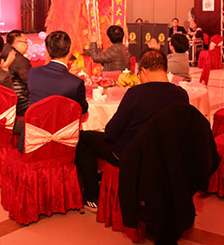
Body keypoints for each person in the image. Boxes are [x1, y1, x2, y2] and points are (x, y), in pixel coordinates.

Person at [75, 49, 189, 211]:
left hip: (130, 155)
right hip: (164, 153)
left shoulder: (136, 93)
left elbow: (111, 132)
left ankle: (91, 197)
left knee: (84, 139)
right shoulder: (181, 95)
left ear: (144, 71)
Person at [24, 31, 89, 152]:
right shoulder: (75, 83)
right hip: (62, 142)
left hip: (32, 141)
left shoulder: (33, 73)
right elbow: (83, 110)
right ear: (69, 51)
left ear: (48, 52)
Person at [0, 30, 32, 116]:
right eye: (25, 42)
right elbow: (30, 83)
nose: (28, 45)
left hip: (3, 102)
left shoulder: (1, 53)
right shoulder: (20, 60)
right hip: (19, 104)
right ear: (16, 43)